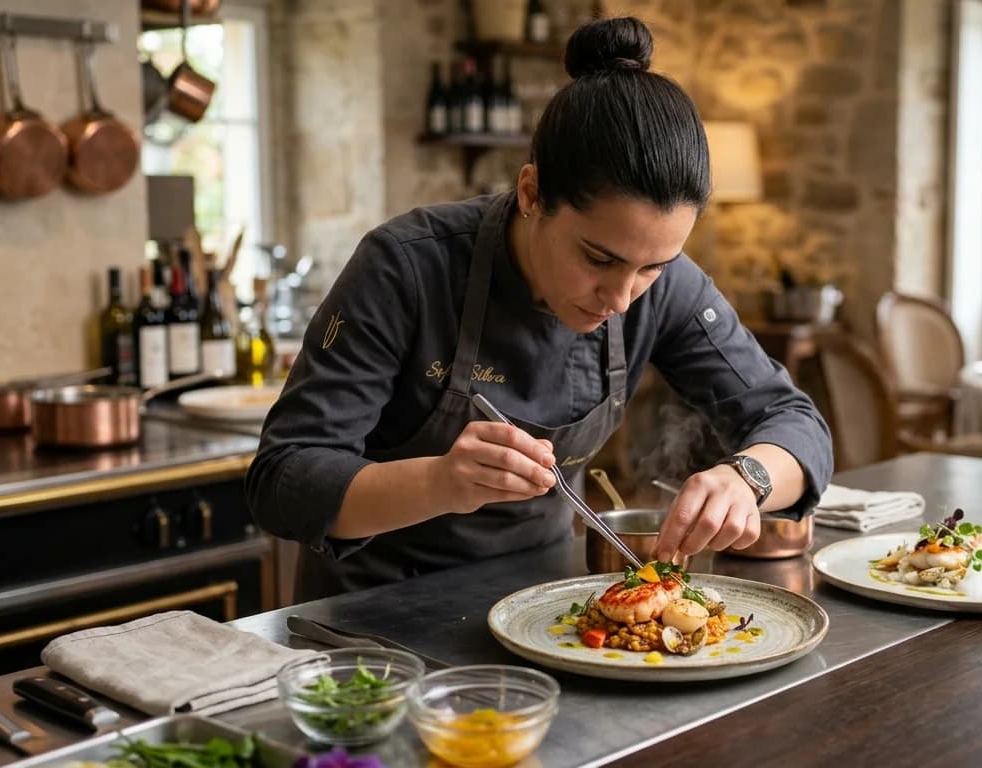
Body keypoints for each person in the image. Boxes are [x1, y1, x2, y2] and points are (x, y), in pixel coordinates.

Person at [247, 16, 832, 601]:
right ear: (531, 193)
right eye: (598, 258)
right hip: (370, 619)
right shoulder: (404, 268)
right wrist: (438, 481)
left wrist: (747, 475)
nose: (622, 296)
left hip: (544, 604)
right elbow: (282, 480)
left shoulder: (666, 284)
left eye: (652, 267)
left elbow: (795, 422)